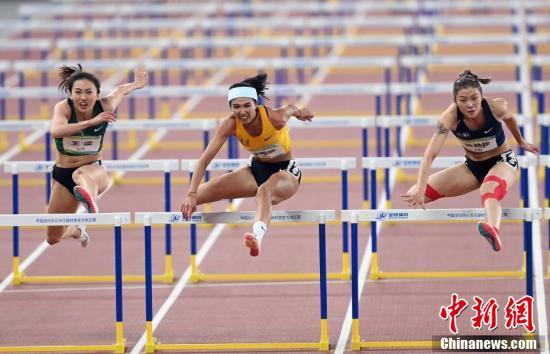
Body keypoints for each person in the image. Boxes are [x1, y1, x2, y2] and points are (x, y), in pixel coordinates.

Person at [402, 70, 538, 252]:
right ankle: (490, 219)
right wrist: (419, 187)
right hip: (473, 167)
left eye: (474, 98)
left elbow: (510, 118)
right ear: (455, 101)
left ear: (482, 96)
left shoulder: (496, 107)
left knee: (488, 189)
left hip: (502, 162)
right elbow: (430, 155)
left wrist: (521, 142)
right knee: (415, 193)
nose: (470, 105)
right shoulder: (449, 118)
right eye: (463, 100)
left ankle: (494, 230)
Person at [180, 73, 314, 257]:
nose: (242, 111)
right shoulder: (230, 124)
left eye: (246, 106)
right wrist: (191, 194)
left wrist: (300, 112)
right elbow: (204, 160)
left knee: (264, 192)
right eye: (236, 107)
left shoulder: (275, 118)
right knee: (198, 195)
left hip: (285, 171)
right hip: (255, 169)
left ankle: (256, 237)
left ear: (256, 104)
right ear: (230, 108)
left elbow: (289, 108)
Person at [47, 64, 148, 247]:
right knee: (53, 238)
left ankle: (90, 201)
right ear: (70, 94)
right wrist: (92, 122)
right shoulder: (64, 108)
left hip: (94, 170)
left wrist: (137, 84)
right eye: (78, 92)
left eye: (89, 92)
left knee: (81, 175)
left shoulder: (106, 104)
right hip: (63, 174)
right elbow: (56, 130)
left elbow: (120, 90)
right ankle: (77, 230)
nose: (83, 97)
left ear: (98, 94)